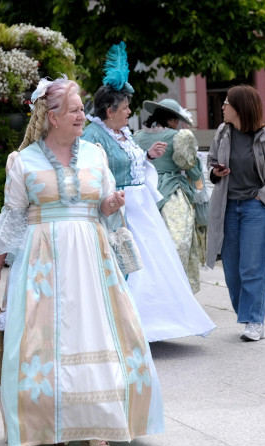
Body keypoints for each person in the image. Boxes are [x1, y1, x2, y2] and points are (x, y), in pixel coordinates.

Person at [0, 76, 164, 446]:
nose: (83, 114)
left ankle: (98, 427)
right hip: (41, 264)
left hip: (91, 260)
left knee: (94, 333)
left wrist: (109, 206)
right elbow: (13, 217)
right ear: (52, 117)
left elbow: (102, 207)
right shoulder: (23, 161)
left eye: (82, 108)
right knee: (46, 340)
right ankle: (54, 425)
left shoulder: (96, 155)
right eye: (76, 109)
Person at [80, 42, 215, 342]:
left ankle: (157, 324)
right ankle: (130, 326)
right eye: (125, 106)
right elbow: (92, 173)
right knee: (132, 264)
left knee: (155, 264)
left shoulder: (123, 132)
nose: (130, 111)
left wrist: (147, 157)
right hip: (120, 209)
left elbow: (129, 164)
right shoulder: (92, 134)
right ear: (109, 110)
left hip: (141, 206)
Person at [205, 85, 265, 342]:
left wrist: (262, 196)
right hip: (228, 206)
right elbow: (210, 162)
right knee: (231, 269)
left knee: (252, 266)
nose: (222, 107)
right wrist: (215, 172)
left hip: (255, 208)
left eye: (227, 103)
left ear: (240, 107)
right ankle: (247, 313)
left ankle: (254, 321)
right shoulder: (222, 132)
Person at [134, 98, 207, 293]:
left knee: (148, 244)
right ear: (173, 120)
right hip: (171, 191)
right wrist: (198, 177)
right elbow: (190, 168)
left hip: (144, 193)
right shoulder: (179, 136)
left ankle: (153, 290)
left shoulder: (137, 136)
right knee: (178, 241)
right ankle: (178, 290)